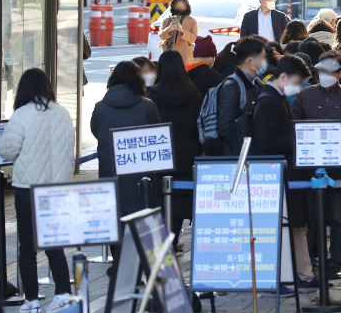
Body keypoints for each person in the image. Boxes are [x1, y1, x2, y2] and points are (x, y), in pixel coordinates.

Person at [0, 69, 75, 313]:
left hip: (27, 189)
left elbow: (6, 150)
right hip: (56, 189)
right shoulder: (63, 113)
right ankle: (63, 293)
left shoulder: (21, 115)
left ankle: (31, 301)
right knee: (54, 244)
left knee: (28, 246)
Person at [250, 55, 321, 289]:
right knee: (280, 228)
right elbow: (267, 143)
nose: (299, 87)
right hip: (277, 176)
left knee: (297, 226)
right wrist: (299, 139)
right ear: (283, 77)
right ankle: (277, 278)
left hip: (287, 174)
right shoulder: (268, 101)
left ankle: (305, 274)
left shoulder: (276, 97)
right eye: (298, 81)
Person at [292, 51, 341, 279]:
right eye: (321, 70)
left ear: (340, 73)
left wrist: (335, 137)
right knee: (311, 216)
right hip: (310, 165)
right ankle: (312, 258)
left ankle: (334, 262)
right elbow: (295, 125)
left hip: (337, 165)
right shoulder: (304, 96)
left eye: (330, 71)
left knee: (336, 216)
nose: (324, 75)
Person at [91, 61, 161, 263]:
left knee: (116, 222)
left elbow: (97, 132)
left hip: (111, 175)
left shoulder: (101, 107)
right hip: (142, 177)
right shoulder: (147, 106)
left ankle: (121, 266)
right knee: (144, 222)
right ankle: (143, 267)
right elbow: (157, 136)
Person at [146, 51, 203, 248]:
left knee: (162, 202)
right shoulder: (194, 94)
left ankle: (164, 247)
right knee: (179, 203)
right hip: (188, 159)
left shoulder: (152, 96)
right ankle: (173, 239)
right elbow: (200, 129)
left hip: (160, 158)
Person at [210, 36, 266, 156]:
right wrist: (242, 150)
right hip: (236, 157)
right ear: (250, 61)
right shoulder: (232, 86)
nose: (265, 61)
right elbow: (225, 126)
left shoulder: (256, 84)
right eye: (262, 57)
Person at [158, 0, 199, 64]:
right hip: (169, 55)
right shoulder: (167, 20)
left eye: (182, 5)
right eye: (177, 5)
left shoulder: (192, 21)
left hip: (185, 57)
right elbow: (161, 36)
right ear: (173, 6)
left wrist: (182, 31)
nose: (179, 7)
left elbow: (194, 38)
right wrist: (169, 29)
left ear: (186, 7)